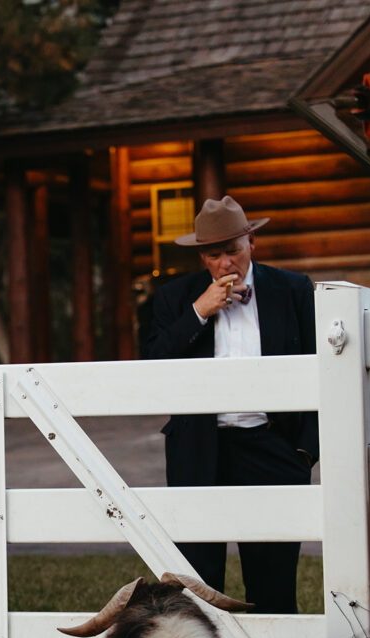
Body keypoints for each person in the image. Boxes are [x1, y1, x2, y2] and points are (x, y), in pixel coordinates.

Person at [144, 194, 318, 614]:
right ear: (202, 256)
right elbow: (150, 369)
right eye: (215, 254)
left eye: (233, 251)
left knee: (274, 582)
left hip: (272, 448)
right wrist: (198, 313)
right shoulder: (173, 298)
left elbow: (319, 368)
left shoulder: (292, 289)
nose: (226, 263)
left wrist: (304, 452)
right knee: (197, 584)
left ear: (251, 244)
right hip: (199, 452)